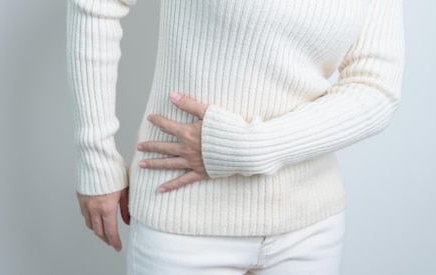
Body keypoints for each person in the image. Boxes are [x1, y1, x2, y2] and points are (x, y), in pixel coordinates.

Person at [68, 0, 405, 274]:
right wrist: (96, 157)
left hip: (310, 226)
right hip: (185, 218)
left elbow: (375, 88)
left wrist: (246, 148)